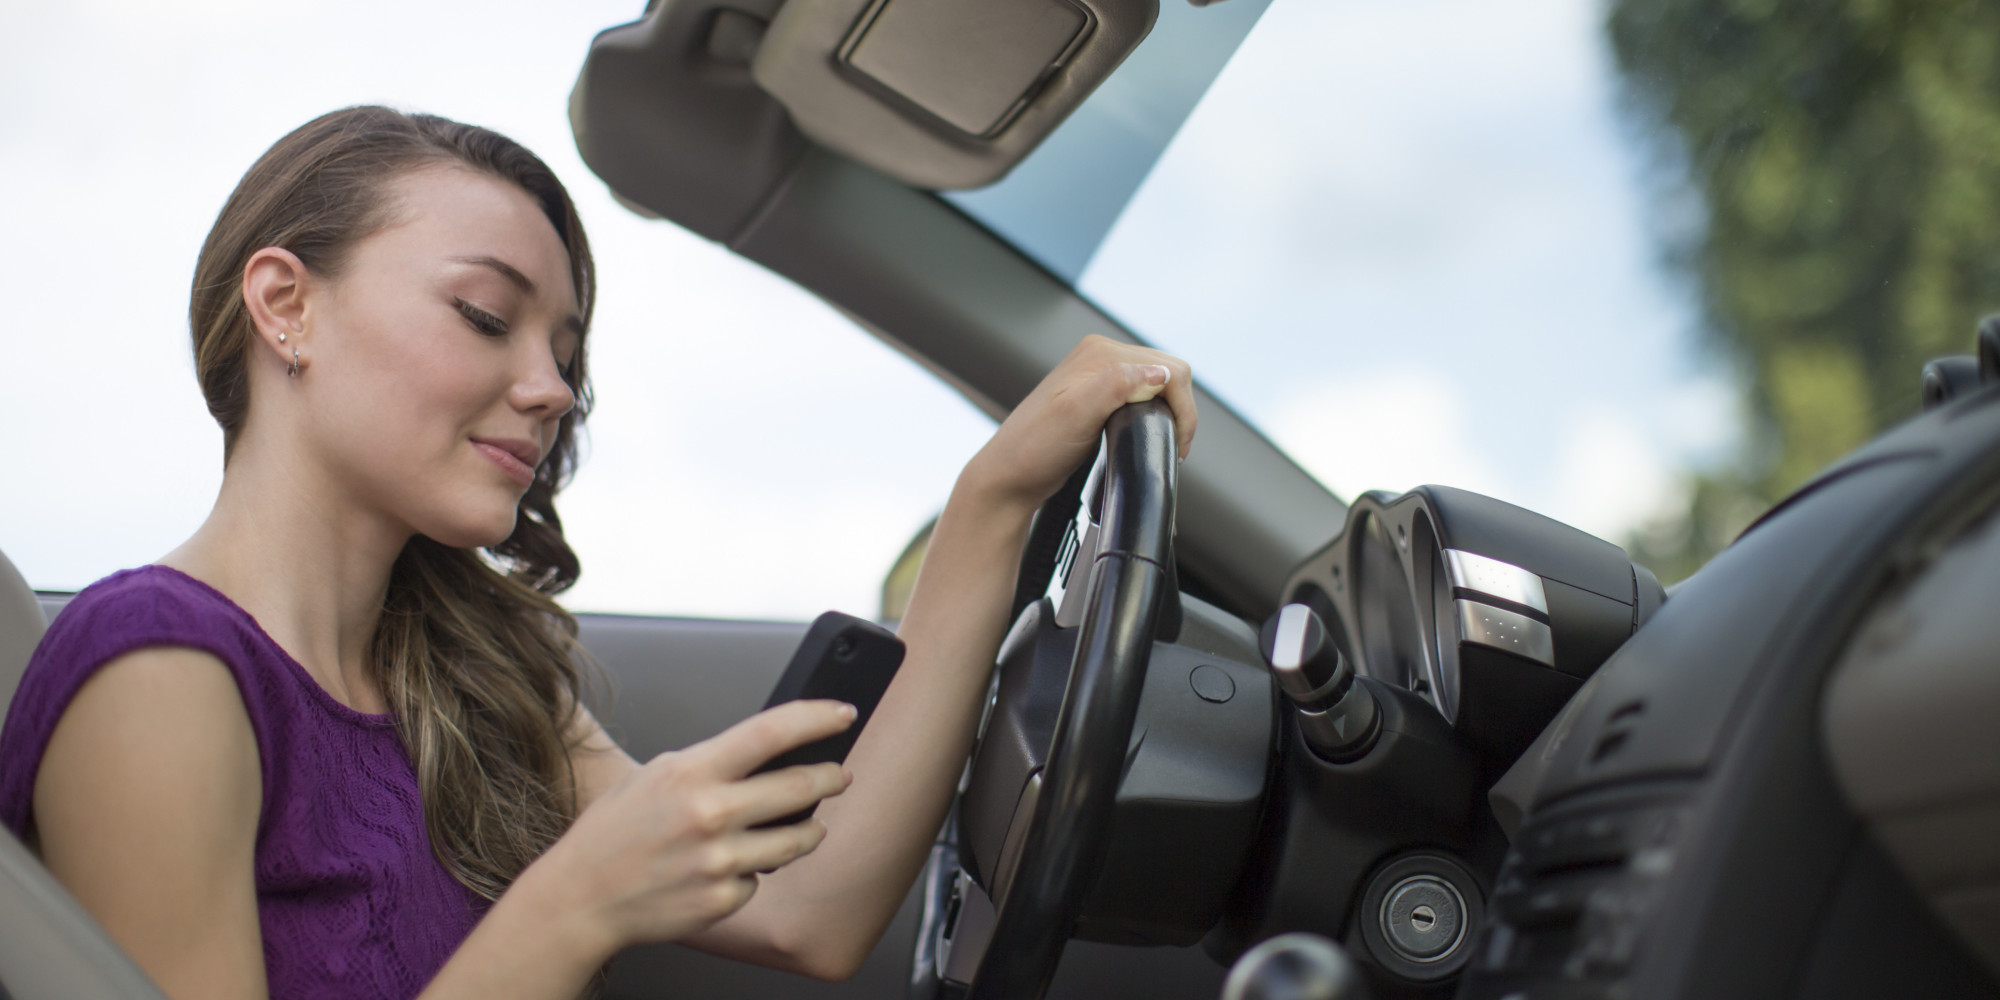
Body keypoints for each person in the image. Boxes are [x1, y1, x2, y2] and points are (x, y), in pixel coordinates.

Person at [0, 106, 1196, 1000]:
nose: (549, 388)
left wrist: (990, 501)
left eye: (565, 351)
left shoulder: (464, 670)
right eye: (484, 316)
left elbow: (809, 914)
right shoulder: (153, 670)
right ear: (284, 305)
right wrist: (576, 902)